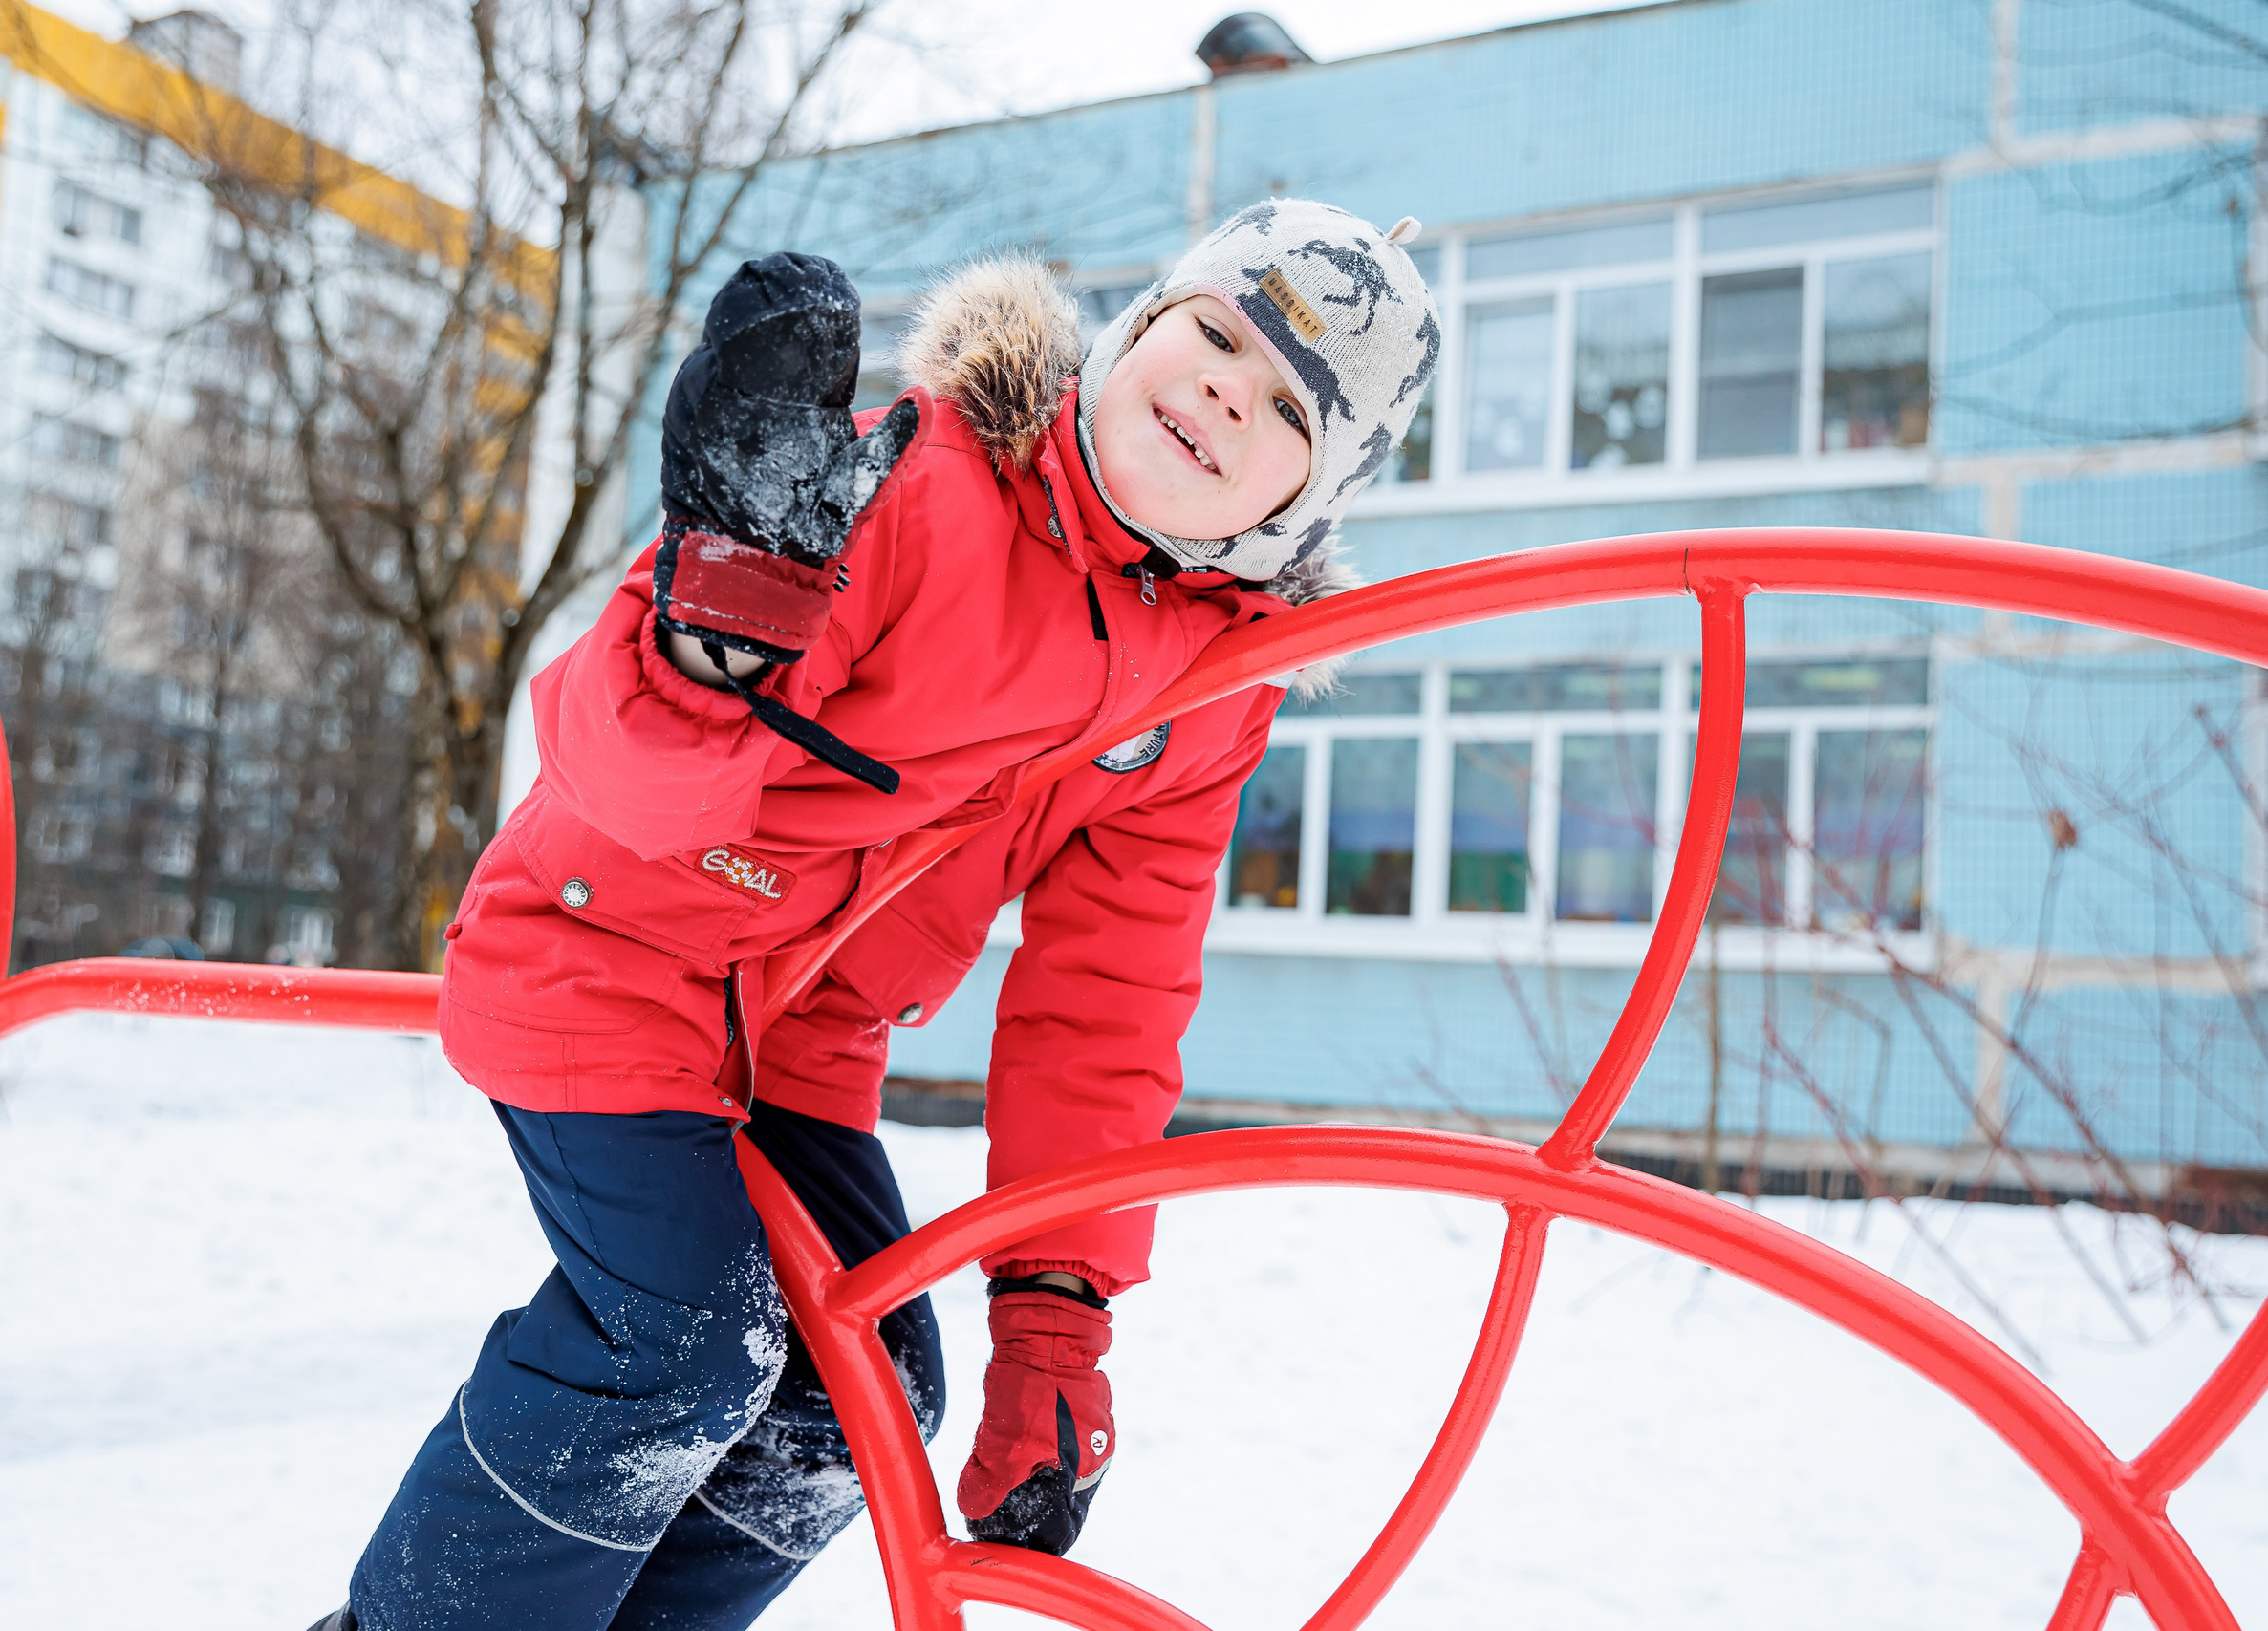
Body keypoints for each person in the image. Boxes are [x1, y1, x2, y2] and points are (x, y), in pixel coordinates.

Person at [318, 197, 1439, 1631]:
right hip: (607, 952)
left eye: (1287, 403)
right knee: (683, 1344)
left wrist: (1057, 1319)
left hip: (806, 1048)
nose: (1227, 385)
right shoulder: (928, 487)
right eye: (1213, 331)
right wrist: (715, 630)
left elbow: (1108, 999)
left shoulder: (1206, 705)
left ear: (1307, 501)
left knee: (855, 1405)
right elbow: (616, 783)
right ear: (1134, 334)